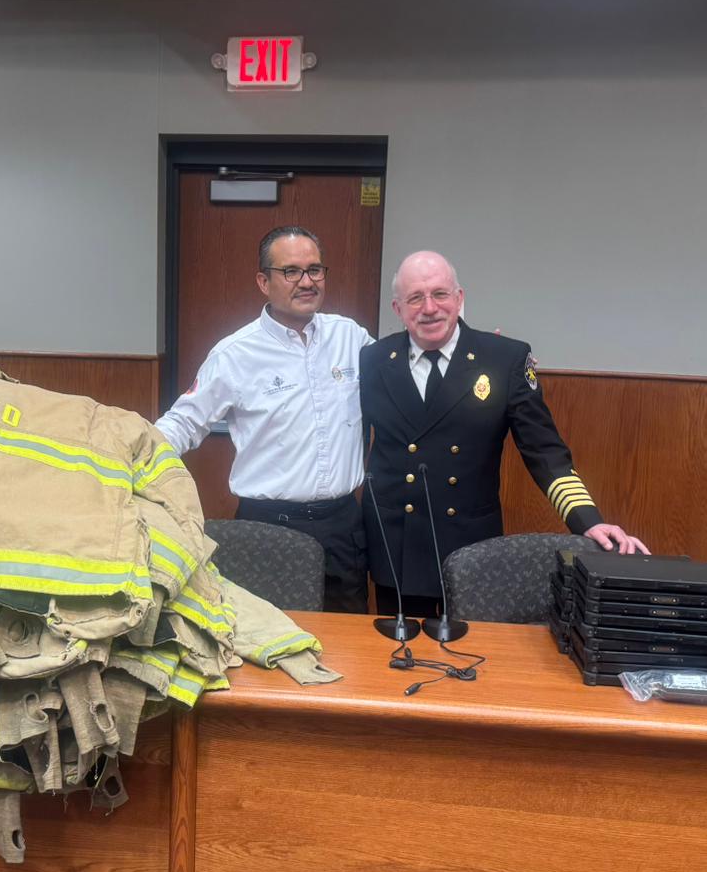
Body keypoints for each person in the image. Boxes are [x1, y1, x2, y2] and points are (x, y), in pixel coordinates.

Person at [360, 250, 646, 618]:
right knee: (400, 648)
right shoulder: (372, 360)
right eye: (415, 298)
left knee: (471, 648)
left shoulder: (503, 358)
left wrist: (589, 521)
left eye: (440, 294)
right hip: (397, 543)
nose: (429, 308)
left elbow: (545, 453)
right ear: (398, 309)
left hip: (470, 546)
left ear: (459, 298)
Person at [155, 225, 373, 613]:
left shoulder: (351, 338)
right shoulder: (235, 353)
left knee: (347, 640)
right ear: (263, 282)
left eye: (314, 270)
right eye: (291, 271)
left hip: (343, 527)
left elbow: (400, 380)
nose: (306, 282)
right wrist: (132, 454)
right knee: (265, 639)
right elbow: (184, 423)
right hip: (268, 529)